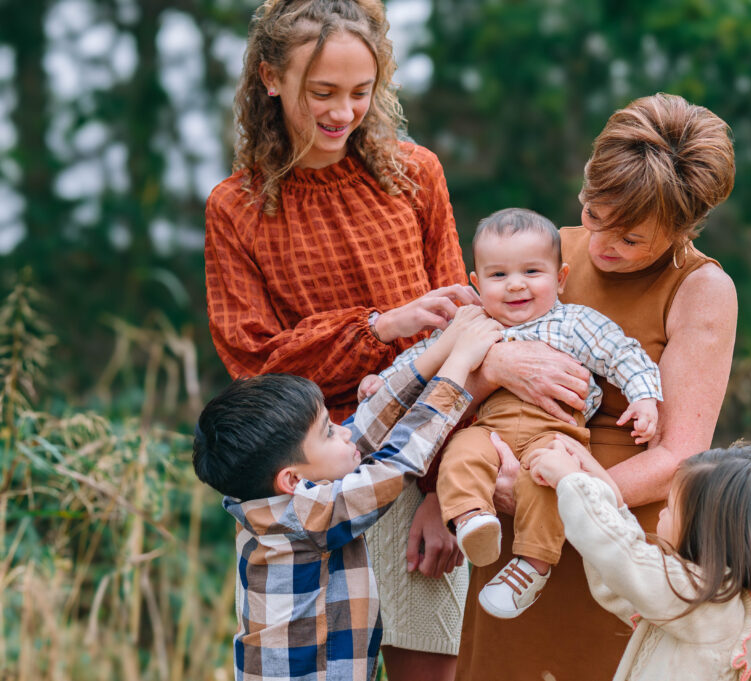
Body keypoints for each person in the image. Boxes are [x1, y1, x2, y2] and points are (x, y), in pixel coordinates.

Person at [203, 1, 474, 678]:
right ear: (270, 77)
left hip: (424, 458)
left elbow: (468, 335)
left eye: (361, 92)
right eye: (322, 92)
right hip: (307, 486)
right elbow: (255, 362)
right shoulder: (235, 208)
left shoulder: (416, 175)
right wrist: (380, 325)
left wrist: (448, 492)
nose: (343, 112)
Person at [455, 93, 740, 679]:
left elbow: (679, 455)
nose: (604, 245)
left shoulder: (703, 289)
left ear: (684, 227)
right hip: (511, 520)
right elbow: (461, 372)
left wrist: (567, 502)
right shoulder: (542, 254)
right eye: (593, 215)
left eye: (631, 238)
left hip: (616, 543)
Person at [365, 207, 661, 619]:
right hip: (490, 430)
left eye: (532, 272)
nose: (515, 286)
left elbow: (622, 353)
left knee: (549, 478)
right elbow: (425, 357)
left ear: (560, 278)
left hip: (555, 431)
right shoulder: (474, 324)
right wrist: (384, 380)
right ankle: (471, 519)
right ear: (476, 283)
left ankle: (532, 566)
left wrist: (644, 397)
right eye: (498, 275)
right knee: (461, 453)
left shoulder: (573, 322)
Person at [192, 307, 501, 681]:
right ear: (291, 479)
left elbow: (368, 422)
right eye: (327, 431)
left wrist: (442, 349)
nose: (343, 431)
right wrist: (460, 365)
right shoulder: (307, 515)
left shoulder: (263, 499)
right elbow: (398, 461)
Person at [527, 438, 751, 681]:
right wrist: (607, 495)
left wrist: (571, 481)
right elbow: (622, 583)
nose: (662, 513)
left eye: (670, 507)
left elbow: (625, 561)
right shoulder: (714, 606)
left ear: (706, 533)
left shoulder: (711, 605)